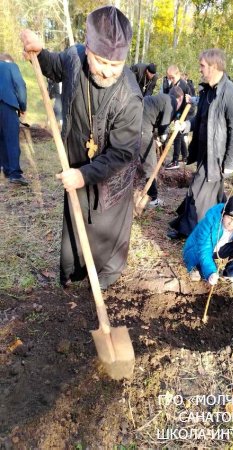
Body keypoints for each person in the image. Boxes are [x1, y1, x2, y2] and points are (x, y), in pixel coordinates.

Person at [20, 5, 143, 290]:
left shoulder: (129, 97)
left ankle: (102, 279)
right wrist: (40, 52)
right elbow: (57, 66)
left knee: (104, 232)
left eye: (116, 65)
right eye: (101, 62)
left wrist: (85, 175)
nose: (108, 72)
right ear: (87, 49)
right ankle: (74, 273)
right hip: (75, 162)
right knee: (75, 226)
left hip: (110, 178)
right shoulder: (75, 57)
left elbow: (122, 153)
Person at [168, 48, 233, 239]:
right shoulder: (207, 91)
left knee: (198, 192)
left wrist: (229, 163)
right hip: (204, 151)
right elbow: (200, 120)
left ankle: (194, 233)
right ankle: (217, 228)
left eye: (202, 66)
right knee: (211, 195)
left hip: (217, 156)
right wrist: (185, 125)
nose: (200, 69)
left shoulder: (231, 94)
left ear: (214, 66)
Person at [183, 195, 233, 293]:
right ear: (223, 213)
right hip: (198, 250)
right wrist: (211, 272)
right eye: (229, 218)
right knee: (205, 276)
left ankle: (230, 275)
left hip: (219, 249)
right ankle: (195, 267)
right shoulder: (211, 221)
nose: (231, 223)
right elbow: (204, 249)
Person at [140, 86, 184, 206]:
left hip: (137, 121)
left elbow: (157, 120)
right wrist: (161, 139)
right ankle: (153, 199)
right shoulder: (172, 102)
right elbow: (164, 127)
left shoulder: (163, 98)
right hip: (142, 127)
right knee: (151, 165)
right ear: (180, 98)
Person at [0, 53, 28, 185]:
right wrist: (22, 106)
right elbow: (20, 86)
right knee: (11, 139)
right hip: (6, 104)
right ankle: (14, 174)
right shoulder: (11, 66)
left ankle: (5, 169)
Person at [163, 65, 192, 170]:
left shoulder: (184, 86)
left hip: (184, 113)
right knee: (180, 135)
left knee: (177, 136)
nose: (170, 80)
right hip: (177, 113)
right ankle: (185, 157)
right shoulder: (174, 84)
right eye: (168, 78)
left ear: (178, 74)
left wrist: (180, 117)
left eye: (172, 77)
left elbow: (188, 103)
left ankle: (175, 161)